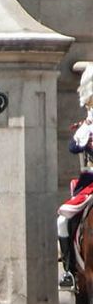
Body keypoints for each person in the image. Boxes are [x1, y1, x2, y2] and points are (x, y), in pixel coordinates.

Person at [58, 68, 93, 288]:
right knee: (62, 220)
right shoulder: (85, 127)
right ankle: (70, 270)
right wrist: (85, 138)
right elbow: (72, 147)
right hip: (89, 183)